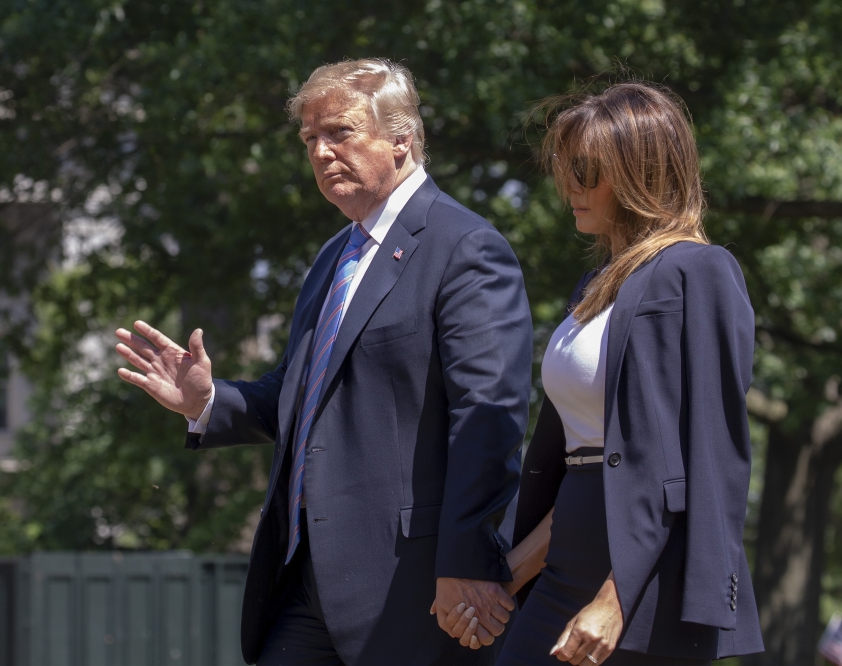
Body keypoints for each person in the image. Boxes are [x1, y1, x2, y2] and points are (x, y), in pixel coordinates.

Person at [114, 58, 531, 664]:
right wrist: (207, 401)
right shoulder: (336, 254)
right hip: (306, 577)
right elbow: (304, 397)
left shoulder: (466, 248)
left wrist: (467, 561)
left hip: (413, 583)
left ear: (401, 139)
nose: (321, 152)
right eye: (310, 139)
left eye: (340, 132)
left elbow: (488, 417)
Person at [442, 82, 765, 664]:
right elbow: (588, 467)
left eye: (588, 170)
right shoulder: (597, 287)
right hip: (567, 563)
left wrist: (617, 601)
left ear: (642, 170)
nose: (570, 187)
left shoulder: (700, 271)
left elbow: (707, 460)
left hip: (643, 586)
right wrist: (504, 575)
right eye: (566, 168)